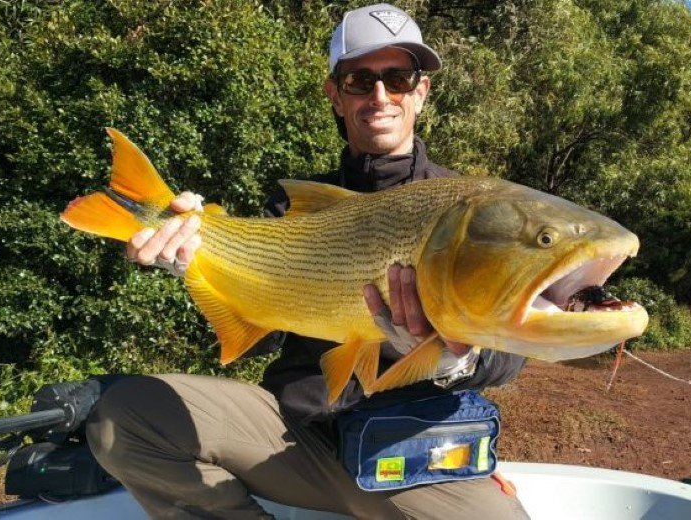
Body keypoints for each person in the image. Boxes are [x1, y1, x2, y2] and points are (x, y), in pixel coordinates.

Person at [86, 4, 529, 518]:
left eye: (398, 77)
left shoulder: (471, 210)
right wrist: (199, 262)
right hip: (293, 436)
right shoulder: (298, 204)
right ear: (336, 96)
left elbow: (514, 350)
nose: (380, 95)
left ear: (421, 92)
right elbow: (265, 335)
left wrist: (461, 359)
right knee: (125, 417)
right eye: (361, 80)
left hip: (409, 451)